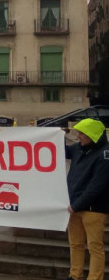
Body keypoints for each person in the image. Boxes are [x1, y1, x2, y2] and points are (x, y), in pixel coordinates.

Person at [65, 118, 109, 280]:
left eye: (82, 133)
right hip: (74, 206)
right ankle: (74, 275)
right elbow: (58, 150)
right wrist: (56, 135)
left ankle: (94, 277)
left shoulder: (105, 155)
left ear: (93, 134)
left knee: (94, 247)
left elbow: (97, 186)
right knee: (75, 244)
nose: (78, 136)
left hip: (93, 209)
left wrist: (76, 205)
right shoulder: (79, 148)